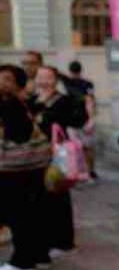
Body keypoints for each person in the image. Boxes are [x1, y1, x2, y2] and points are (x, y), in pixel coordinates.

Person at [30, 66, 86, 256]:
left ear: (55, 80)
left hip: (57, 156)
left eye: (48, 77)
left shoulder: (63, 100)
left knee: (58, 197)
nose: (44, 81)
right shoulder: (32, 100)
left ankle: (63, 242)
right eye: (40, 77)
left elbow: (76, 120)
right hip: (35, 156)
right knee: (41, 199)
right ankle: (46, 238)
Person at [0, 64, 51, 270]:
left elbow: (19, 134)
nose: (2, 83)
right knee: (33, 212)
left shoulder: (12, 104)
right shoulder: (27, 102)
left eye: (7, 79)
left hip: (16, 167)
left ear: (17, 84)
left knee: (18, 213)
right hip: (33, 165)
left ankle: (22, 260)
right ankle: (39, 255)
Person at [62, 61, 98, 180]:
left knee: (75, 148)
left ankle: (79, 172)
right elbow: (90, 101)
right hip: (85, 120)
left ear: (70, 71)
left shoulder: (66, 82)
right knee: (88, 148)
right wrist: (92, 119)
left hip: (71, 120)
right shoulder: (88, 84)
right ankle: (91, 172)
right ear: (80, 70)